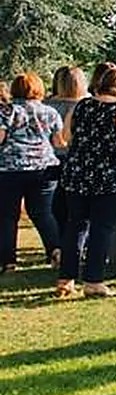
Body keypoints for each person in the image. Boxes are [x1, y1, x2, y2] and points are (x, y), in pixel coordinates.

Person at [55, 65, 116, 300]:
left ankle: (66, 279)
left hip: (76, 174)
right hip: (108, 178)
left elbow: (65, 137)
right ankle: (93, 280)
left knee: (75, 225)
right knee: (101, 228)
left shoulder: (81, 106)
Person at [0, 73, 65, 271]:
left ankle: (8, 260)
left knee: (7, 216)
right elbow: (58, 142)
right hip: (44, 167)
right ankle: (55, 249)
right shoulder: (50, 112)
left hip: (11, 168)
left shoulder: (7, 111)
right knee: (43, 213)